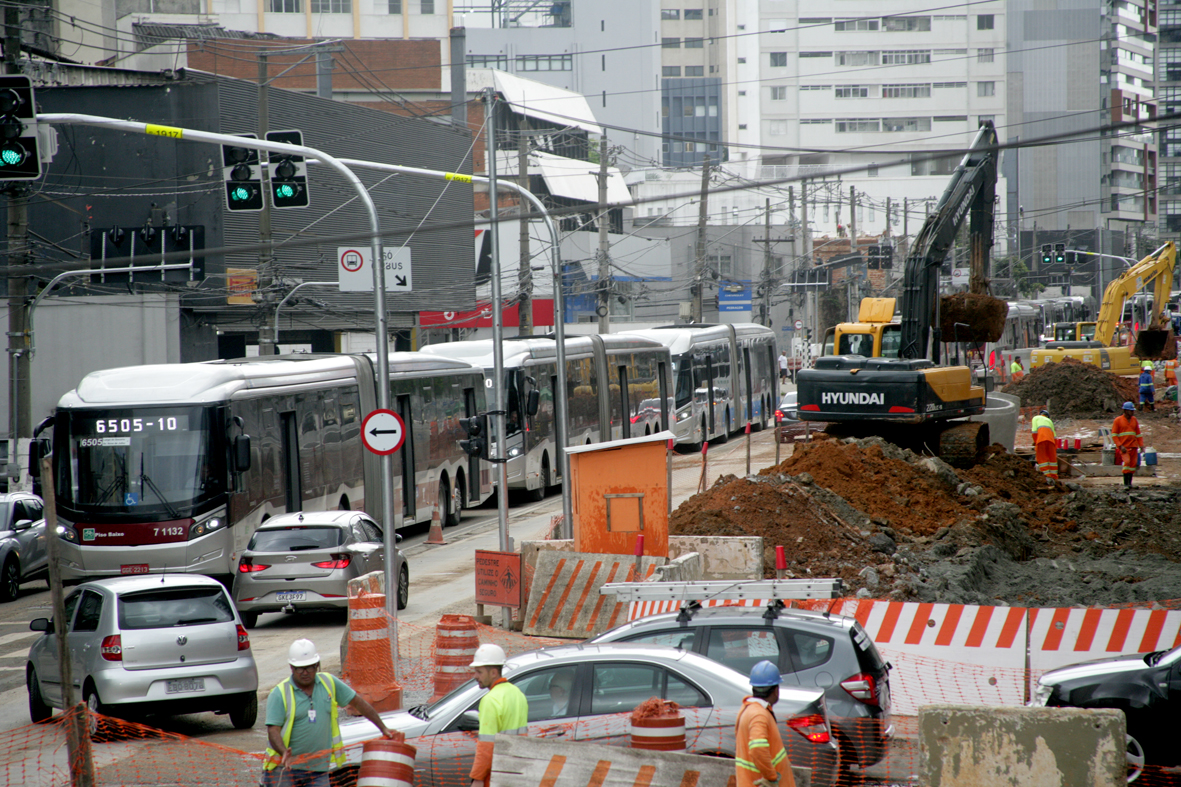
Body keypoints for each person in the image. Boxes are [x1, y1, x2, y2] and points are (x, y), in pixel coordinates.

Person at [264, 639, 395, 787]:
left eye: (310, 667)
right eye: (300, 668)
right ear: (291, 668)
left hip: (318, 770)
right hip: (286, 769)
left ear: (317, 665)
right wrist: (283, 752)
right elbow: (273, 730)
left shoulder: (329, 683)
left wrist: (382, 727)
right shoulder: (280, 693)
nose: (305, 672)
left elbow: (359, 703)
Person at [469, 643, 528, 787]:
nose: (475, 676)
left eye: (479, 672)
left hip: (496, 773)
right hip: (517, 770)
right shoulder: (517, 693)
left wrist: (477, 777)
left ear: (494, 673)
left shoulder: (490, 700)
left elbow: (486, 745)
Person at [735, 660, 796, 787]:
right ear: (775, 690)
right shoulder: (759, 714)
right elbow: (757, 748)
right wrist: (771, 777)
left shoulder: (750, 709)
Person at [1113, 401, 1144, 491]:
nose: (1132, 412)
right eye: (1131, 411)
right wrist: (1120, 445)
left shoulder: (1134, 420)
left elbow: (1138, 434)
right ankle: (1125, 484)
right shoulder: (1118, 420)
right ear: (1125, 411)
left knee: (1132, 465)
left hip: (1133, 446)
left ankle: (1129, 484)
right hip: (1124, 447)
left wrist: (1141, 445)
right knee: (1127, 463)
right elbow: (1114, 435)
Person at [1031, 408, 1058, 482]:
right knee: (1052, 459)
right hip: (1051, 441)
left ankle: (1047, 476)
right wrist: (1055, 446)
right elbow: (1054, 435)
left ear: (1041, 414)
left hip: (1041, 440)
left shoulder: (1036, 418)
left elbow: (1034, 432)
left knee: (1042, 459)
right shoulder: (1050, 421)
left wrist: (1036, 442)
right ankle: (1054, 477)